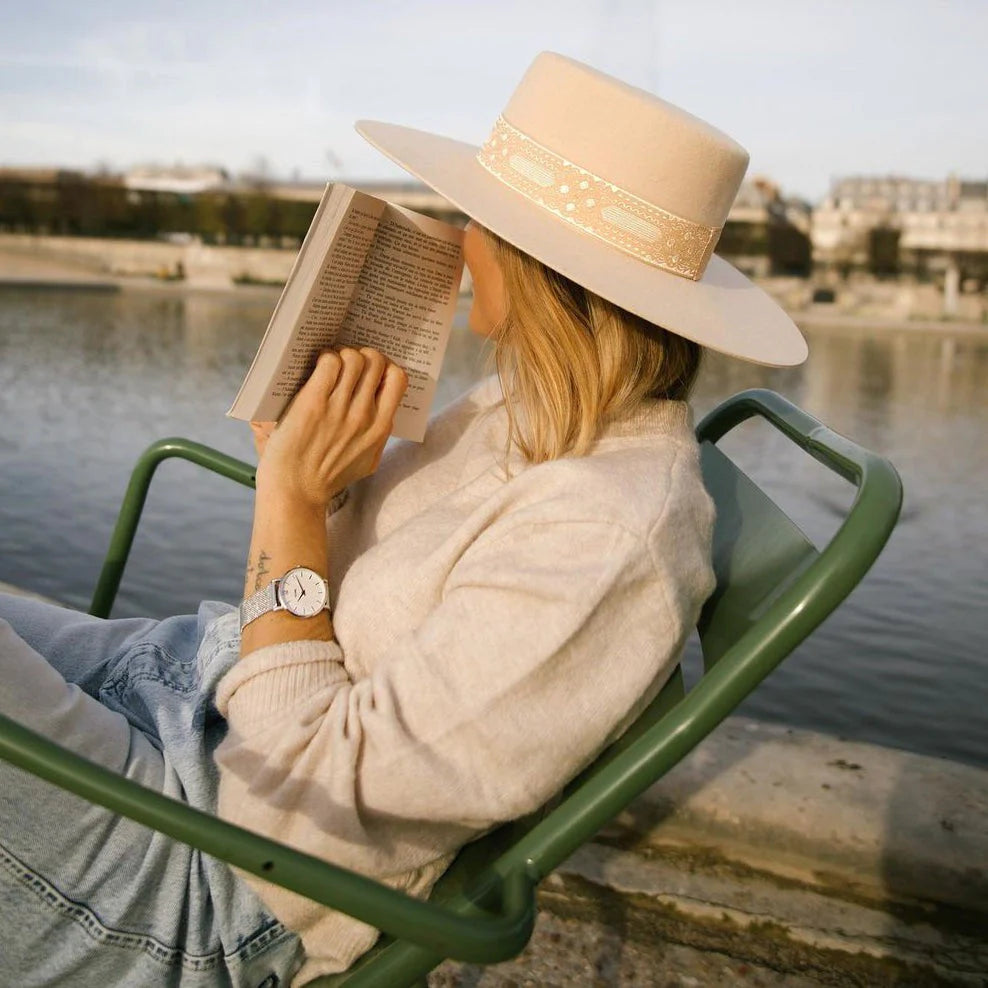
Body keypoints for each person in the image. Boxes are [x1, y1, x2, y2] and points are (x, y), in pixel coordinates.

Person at [0, 51, 807, 987]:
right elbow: (393, 588)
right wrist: (321, 476)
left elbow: (302, 818)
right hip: (191, 694)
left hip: (210, 870)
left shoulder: (610, 535)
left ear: (539, 264)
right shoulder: (539, 414)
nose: (463, 238)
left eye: (481, 216)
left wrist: (292, 507)